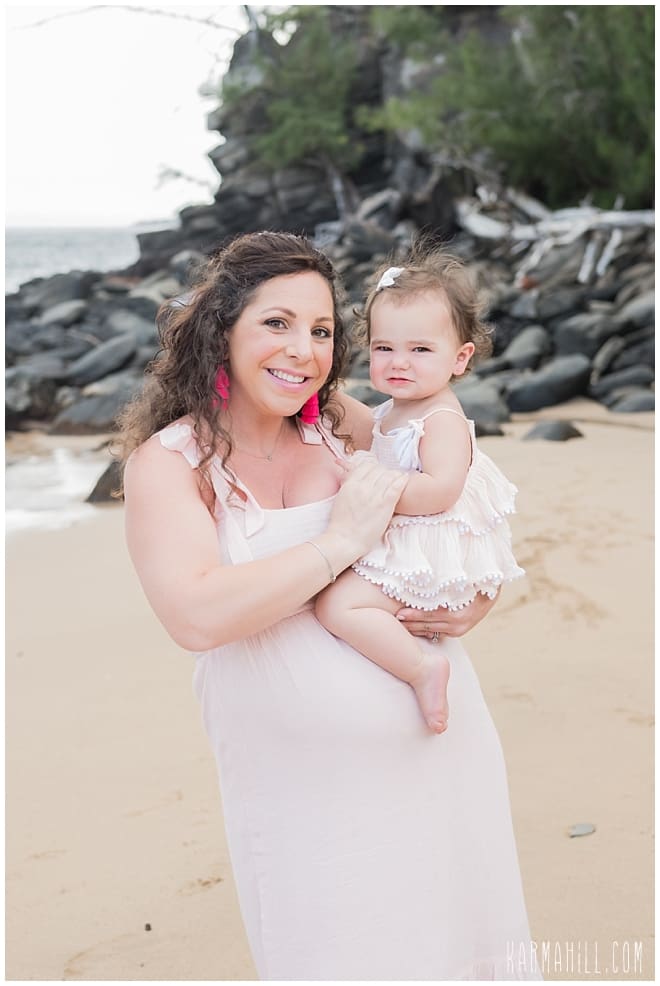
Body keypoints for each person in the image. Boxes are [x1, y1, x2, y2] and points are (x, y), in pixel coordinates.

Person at [120, 231, 540, 981]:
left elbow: (461, 492)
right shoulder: (169, 464)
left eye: (320, 331)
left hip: (439, 748)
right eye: (276, 323)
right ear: (223, 330)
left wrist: (477, 594)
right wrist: (339, 541)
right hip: (302, 793)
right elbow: (195, 616)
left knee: (462, 950)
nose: (303, 351)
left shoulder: (338, 422)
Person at [316, 252, 525, 734]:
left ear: (461, 357)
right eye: (384, 349)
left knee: (338, 605)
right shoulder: (392, 409)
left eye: (421, 350)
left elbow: (440, 491)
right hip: (408, 535)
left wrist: (372, 489)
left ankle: (421, 667)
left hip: (431, 547)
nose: (399, 363)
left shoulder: (442, 419)